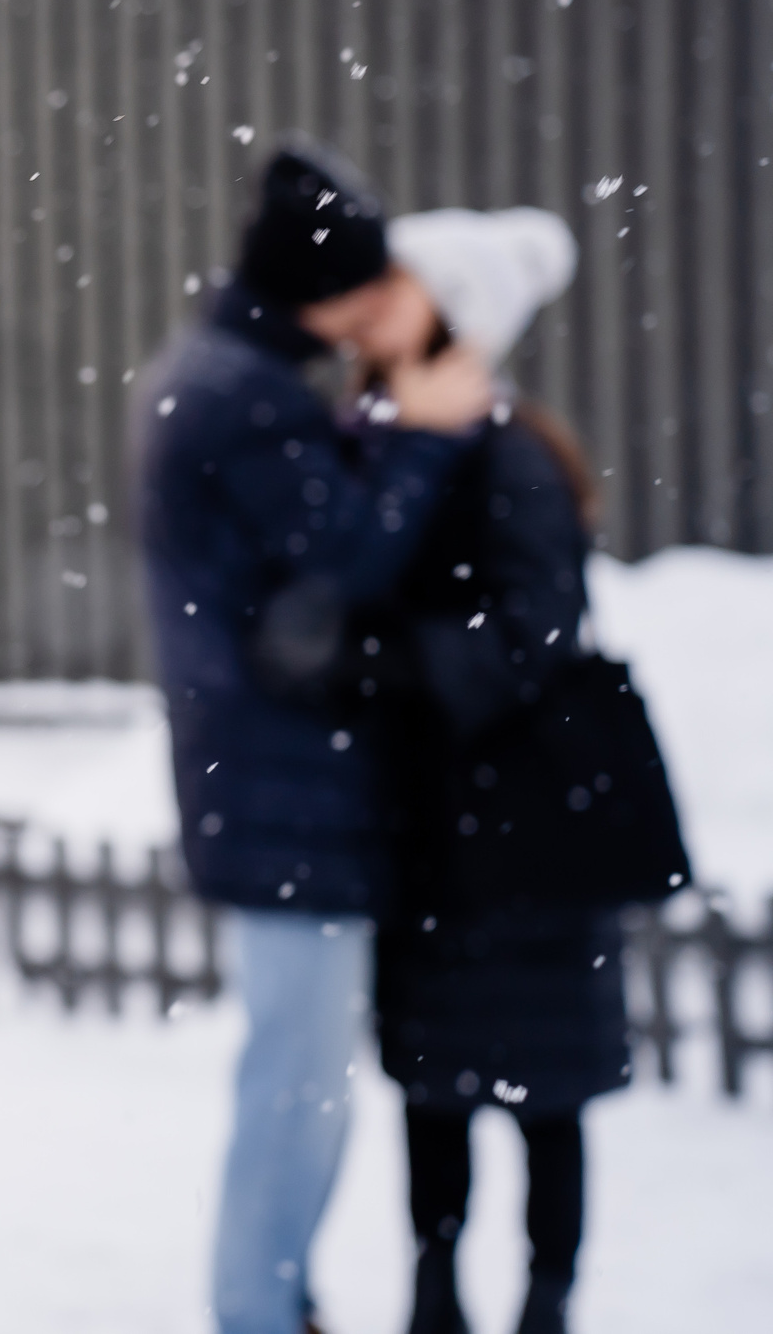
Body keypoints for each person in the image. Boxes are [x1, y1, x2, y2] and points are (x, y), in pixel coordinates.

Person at [137, 137, 493, 1334]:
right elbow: (345, 554)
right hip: (281, 782)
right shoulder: (245, 394)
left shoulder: (229, 373)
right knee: (296, 1090)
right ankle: (259, 1311)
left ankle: (271, 1301)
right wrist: (429, 433)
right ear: (327, 292)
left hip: (269, 780)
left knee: (299, 1084)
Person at [350, 208, 623, 1334]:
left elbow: (538, 628)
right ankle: (434, 1294)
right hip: (441, 826)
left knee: (537, 1096)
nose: (372, 308)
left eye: (399, 287)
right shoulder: (395, 437)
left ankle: (541, 1303)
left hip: (523, 832)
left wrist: (391, 661)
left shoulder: (505, 452)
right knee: (436, 1089)